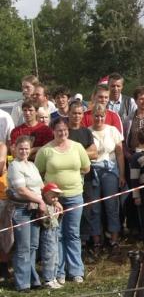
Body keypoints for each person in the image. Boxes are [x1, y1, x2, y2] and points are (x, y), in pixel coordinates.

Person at [35, 117, 90, 284]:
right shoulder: (45, 151)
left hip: (75, 195)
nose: (62, 133)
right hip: (53, 199)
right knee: (56, 234)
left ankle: (76, 271)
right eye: (59, 130)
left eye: (65, 130)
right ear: (53, 131)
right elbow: (38, 173)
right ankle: (59, 271)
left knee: (73, 233)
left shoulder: (77, 147)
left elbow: (86, 167)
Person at [6, 137, 49, 290]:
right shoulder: (14, 166)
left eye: (26, 148)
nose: (24, 151)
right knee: (23, 247)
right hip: (22, 210)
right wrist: (40, 201)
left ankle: (33, 280)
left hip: (35, 209)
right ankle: (22, 283)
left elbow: (41, 187)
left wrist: (52, 199)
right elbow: (21, 190)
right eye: (21, 148)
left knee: (32, 246)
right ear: (15, 149)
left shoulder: (32, 165)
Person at [84, 107, 126, 254]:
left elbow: (119, 154)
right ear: (92, 116)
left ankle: (114, 239)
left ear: (105, 116)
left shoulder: (113, 130)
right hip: (93, 171)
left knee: (112, 206)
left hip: (110, 170)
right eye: (96, 116)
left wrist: (122, 174)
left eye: (101, 116)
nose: (99, 119)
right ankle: (96, 240)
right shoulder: (87, 132)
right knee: (94, 208)